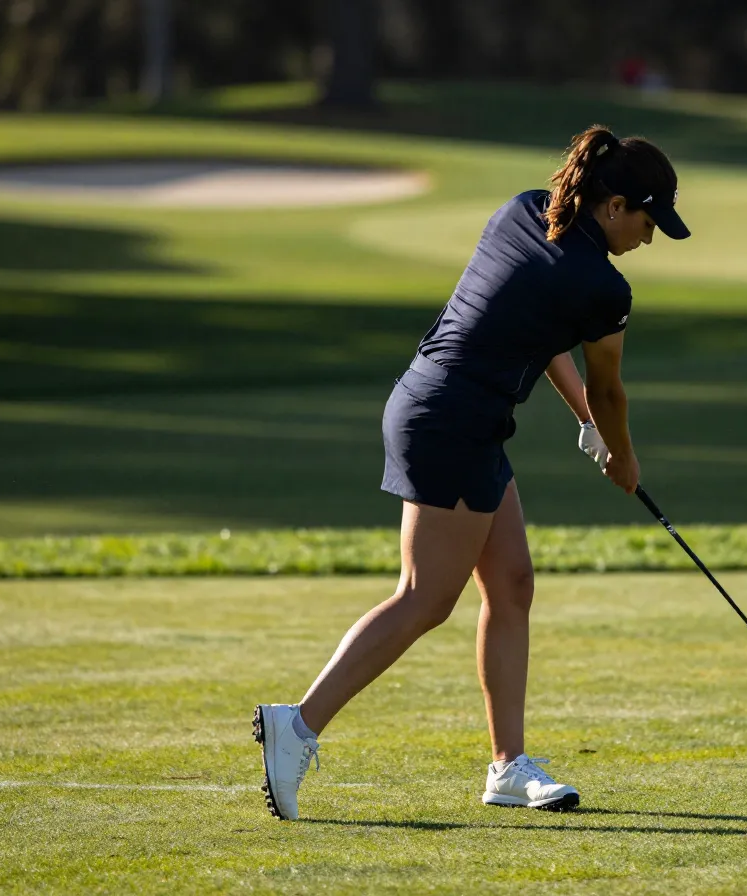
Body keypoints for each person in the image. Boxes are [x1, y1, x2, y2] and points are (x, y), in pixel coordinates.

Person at [253, 124, 691, 820]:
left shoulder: (527, 211)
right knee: (426, 598)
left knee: (511, 583)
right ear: (614, 207)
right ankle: (297, 725)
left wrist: (585, 423)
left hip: (442, 407)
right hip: (453, 421)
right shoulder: (601, 285)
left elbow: (538, 333)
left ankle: (507, 767)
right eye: (648, 221)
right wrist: (624, 456)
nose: (650, 236)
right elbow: (611, 388)